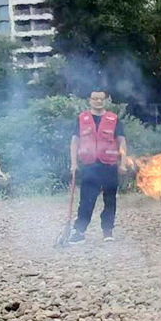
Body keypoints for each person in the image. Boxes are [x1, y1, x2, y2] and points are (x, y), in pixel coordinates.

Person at [68, 90, 128, 244]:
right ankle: (79, 232)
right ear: (90, 100)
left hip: (109, 165)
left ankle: (108, 231)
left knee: (110, 200)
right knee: (87, 200)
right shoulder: (82, 119)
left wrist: (123, 163)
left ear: (106, 100)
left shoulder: (113, 119)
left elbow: (122, 142)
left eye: (101, 99)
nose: (98, 101)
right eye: (95, 99)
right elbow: (74, 142)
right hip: (89, 165)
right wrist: (74, 163)